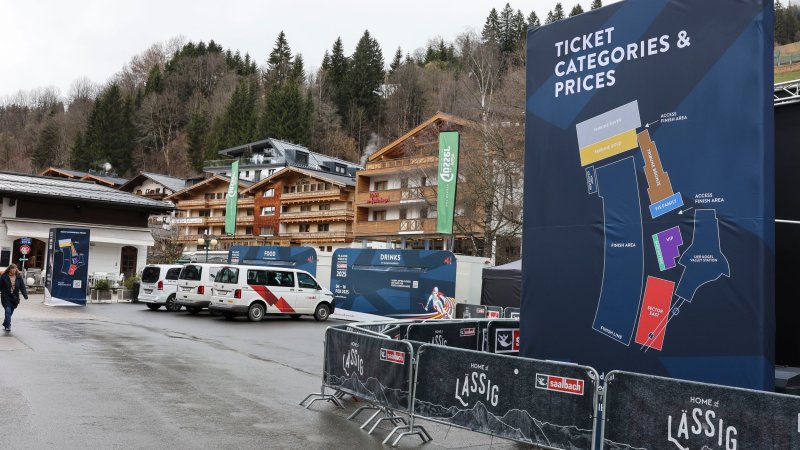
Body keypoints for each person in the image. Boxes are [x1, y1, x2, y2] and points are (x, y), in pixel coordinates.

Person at [1, 263, 29, 332]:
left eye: (15, 268)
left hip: (15, 298)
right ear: (9, 269)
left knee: (10, 312)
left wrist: (25, 295)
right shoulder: (4, 276)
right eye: (12, 268)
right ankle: (8, 325)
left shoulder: (19, 277)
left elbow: (22, 287)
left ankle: (5, 323)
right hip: (6, 296)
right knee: (8, 310)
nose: (14, 270)